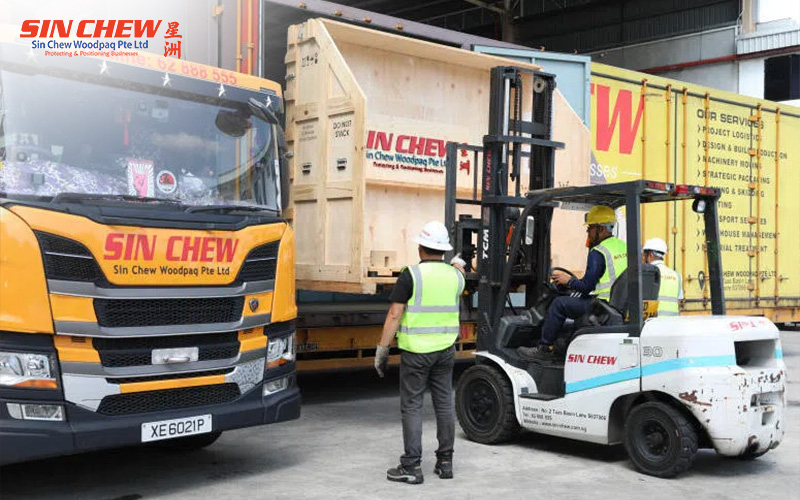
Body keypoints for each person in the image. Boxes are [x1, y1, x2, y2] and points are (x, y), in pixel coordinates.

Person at [374, 221, 466, 485]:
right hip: (445, 351)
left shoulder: (410, 275)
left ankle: (412, 466)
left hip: (416, 354)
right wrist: (459, 262)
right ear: (444, 250)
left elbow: (395, 313)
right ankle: (445, 462)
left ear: (420, 247)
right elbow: (459, 272)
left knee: (413, 407)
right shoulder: (455, 277)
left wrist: (382, 349)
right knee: (444, 404)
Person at [517, 205, 627, 361]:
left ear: (601, 229)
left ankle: (544, 348)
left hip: (603, 308)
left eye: (590, 228)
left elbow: (586, 286)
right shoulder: (624, 247)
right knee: (571, 300)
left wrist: (568, 280)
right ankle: (562, 345)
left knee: (559, 303)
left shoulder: (599, 252)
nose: (588, 232)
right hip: (618, 304)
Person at [642, 238, 683, 316]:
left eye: (644, 255)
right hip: (673, 323)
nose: (643, 258)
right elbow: (679, 303)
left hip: (654, 323)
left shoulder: (647, 274)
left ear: (650, 255)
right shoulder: (677, 276)